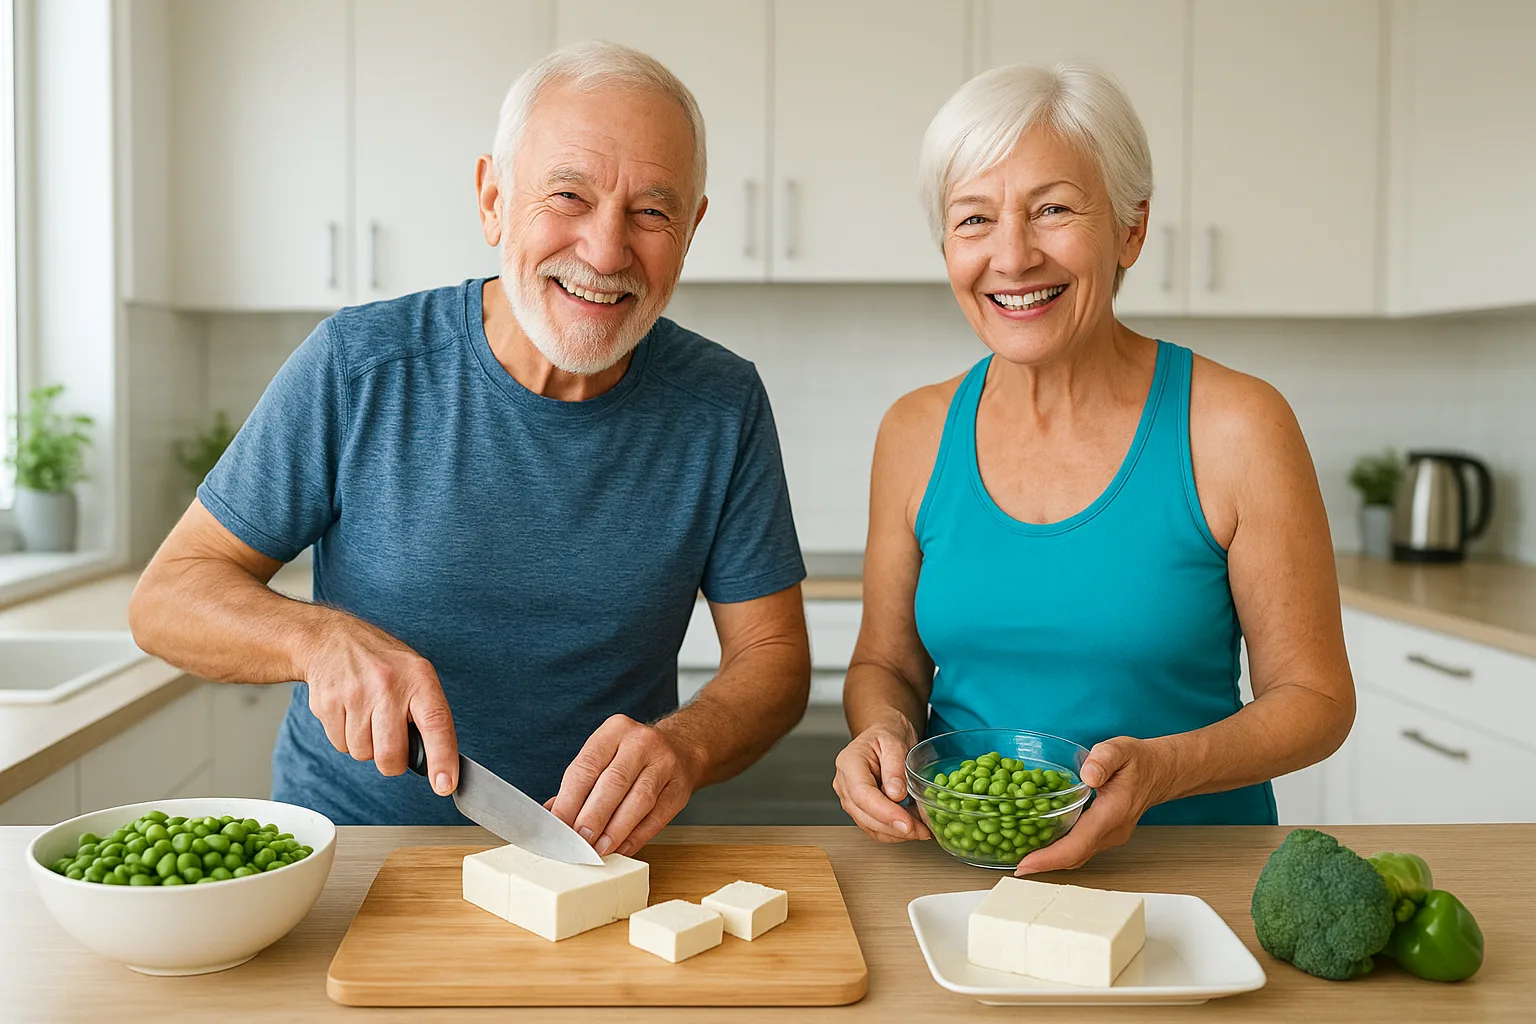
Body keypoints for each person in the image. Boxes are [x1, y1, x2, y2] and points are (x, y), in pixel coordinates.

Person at [129, 42, 811, 857]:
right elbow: (166, 597)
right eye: (568, 195)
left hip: (600, 861)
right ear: (493, 199)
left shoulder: (722, 404)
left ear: (691, 231)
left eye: (651, 213)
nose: (605, 250)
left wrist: (688, 745)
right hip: (357, 854)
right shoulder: (358, 365)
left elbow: (773, 660)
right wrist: (316, 640)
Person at [832, 62, 1354, 874]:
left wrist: (1163, 772)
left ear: (1131, 231)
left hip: (1194, 877)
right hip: (967, 875)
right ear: (946, 245)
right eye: (973, 219)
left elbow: (1317, 702)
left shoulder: (1237, 425)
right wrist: (885, 732)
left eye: (1052, 210)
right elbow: (886, 666)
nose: (1011, 255)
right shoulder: (915, 431)